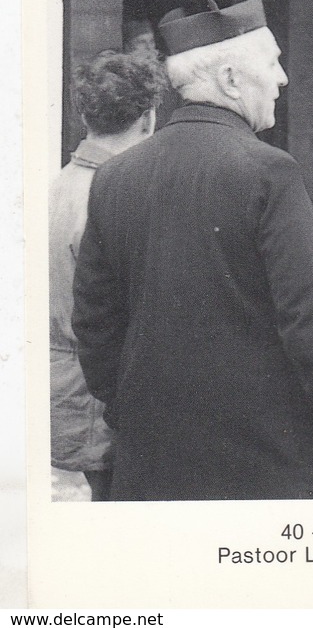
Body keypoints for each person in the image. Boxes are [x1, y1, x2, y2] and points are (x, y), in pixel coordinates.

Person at [73, 0, 313, 501]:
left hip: (151, 462)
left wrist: (135, 408)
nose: (283, 77)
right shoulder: (270, 173)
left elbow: (94, 323)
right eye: (272, 62)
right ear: (228, 79)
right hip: (266, 466)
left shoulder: (113, 178)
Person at [50, 49, 167, 500]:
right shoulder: (115, 196)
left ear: (84, 114)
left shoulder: (61, 183)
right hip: (99, 397)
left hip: (69, 387)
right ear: (149, 118)